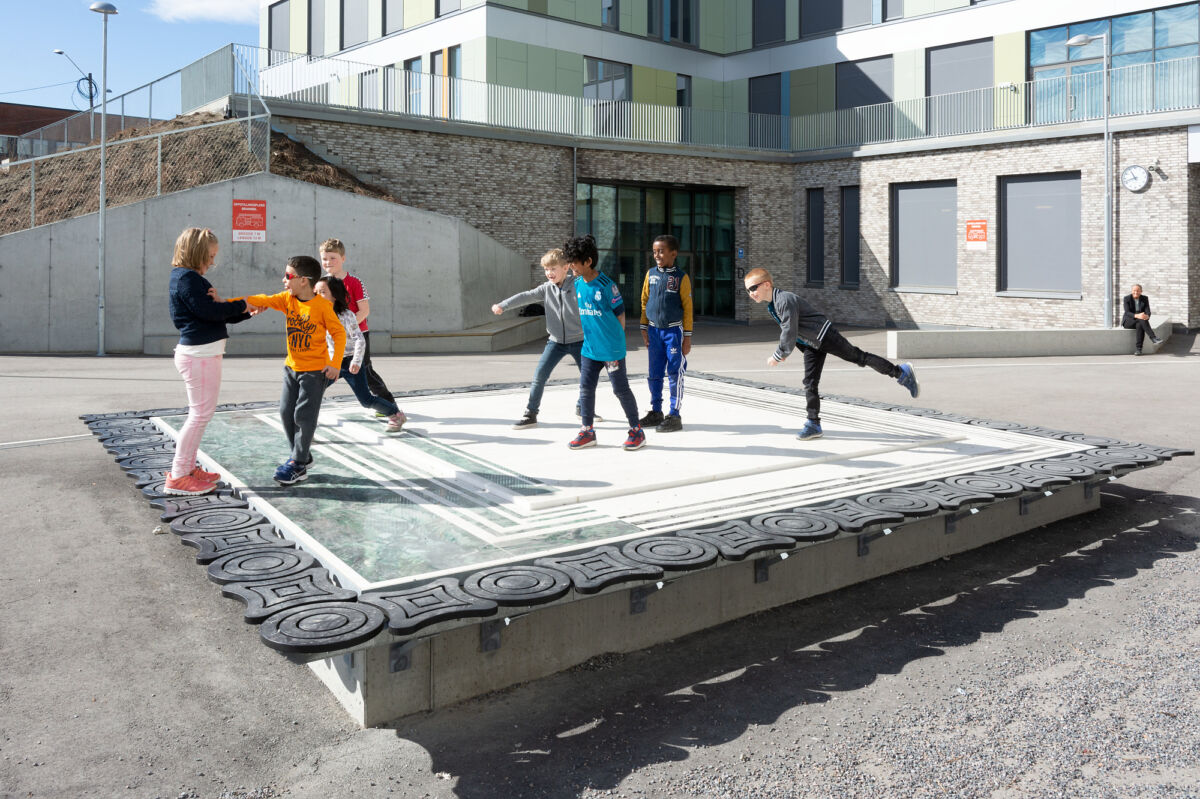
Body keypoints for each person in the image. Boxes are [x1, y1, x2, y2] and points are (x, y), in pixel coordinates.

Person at [743, 267, 920, 441]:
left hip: (824, 336)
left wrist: (778, 355)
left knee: (859, 357)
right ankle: (813, 424)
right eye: (748, 290)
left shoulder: (783, 300)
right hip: (812, 344)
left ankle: (901, 372)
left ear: (766, 284)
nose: (751, 293)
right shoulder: (773, 305)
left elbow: (789, 330)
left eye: (753, 288)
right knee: (810, 383)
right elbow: (793, 331)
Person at [240, 256, 345, 485]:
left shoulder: (322, 307)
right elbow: (263, 299)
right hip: (291, 368)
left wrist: (335, 363)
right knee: (286, 411)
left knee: (304, 417)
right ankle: (302, 456)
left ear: (304, 281)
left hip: (315, 372)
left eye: (288, 276)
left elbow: (339, 334)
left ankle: (297, 463)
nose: (283, 280)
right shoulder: (288, 299)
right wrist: (228, 302)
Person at [164, 228, 251, 496]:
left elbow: (214, 313)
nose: (212, 262)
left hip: (202, 354)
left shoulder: (189, 278)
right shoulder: (187, 279)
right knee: (199, 415)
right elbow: (209, 311)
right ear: (197, 253)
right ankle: (179, 475)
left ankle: (187, 468)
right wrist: (241, 305)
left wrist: (245, 310)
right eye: (210, 256)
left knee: (201, 415)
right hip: (199, 356)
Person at [492, 248, 598, 428]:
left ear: (566, 268)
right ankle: (531, 413)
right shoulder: (546, 289)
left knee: (588, 377)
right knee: (539, 376)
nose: (549, 273)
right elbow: (525, 296)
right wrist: (503, 305)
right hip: (555, 342)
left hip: (580, 341)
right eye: (546, 270)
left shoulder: (578, 284)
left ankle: (583, 407)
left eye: (553, 269)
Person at [562, 234, 645, 451]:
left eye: (574, 262)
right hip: (589, 349)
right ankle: (587, 431)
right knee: (586, 389)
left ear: (588, 261)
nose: (571, 266)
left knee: (620, 389)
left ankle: (637, 431)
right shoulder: (578, 283)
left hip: (611, 350)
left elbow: (621, 315)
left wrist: (614, 343)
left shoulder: (607, 286)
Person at [315, 275, 407, 432]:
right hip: (331, 363)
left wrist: (356, 361)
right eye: (315, 292)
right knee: (314, 390)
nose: (317, 296)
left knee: (366, 400)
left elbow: (360, 340)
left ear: (335, 296)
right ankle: (307, 424)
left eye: (322, 292)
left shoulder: (346, 316)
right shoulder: (317, 314)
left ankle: (395, 414)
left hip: (350, 361)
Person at [319, 238, 395, 411]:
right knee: (323, 374)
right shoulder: (321, 284)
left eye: (333, 258)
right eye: (324, 258)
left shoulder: (354, 282)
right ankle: (308, 407)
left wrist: (344, 328)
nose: (328, 262)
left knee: (366, 373)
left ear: (343, 258)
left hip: (357, 336)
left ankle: (389, 405)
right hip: (332, 340)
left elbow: (364, 311)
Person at [638, 234, 693, 433]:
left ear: (673, 253)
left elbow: (688, 308)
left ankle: (674, 414)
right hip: (653, 331)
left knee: (674, 373)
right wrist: (644, 329)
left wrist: (687, 337)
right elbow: (644, 301)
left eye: (661, 251)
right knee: (654, 373)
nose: (657, 255)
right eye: (654, 252)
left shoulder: (681, 277)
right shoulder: (650, 274)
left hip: (674, 332)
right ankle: (656, 411)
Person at [1121, 283, 1161, 356]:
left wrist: (1147, 316)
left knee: (1140, 324)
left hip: (1140, 321)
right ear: (1131, 291)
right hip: (1128, 321)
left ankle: (1138, 350)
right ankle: (1153, 338)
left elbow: (1148, 311)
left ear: (1141, 291)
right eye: (1134, 290)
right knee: (1141, 319)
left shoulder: (1144, 298)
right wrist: (1138, 315)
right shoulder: (1127, 298)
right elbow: (1127, 312)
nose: (1136, 292)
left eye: (1138, 291)